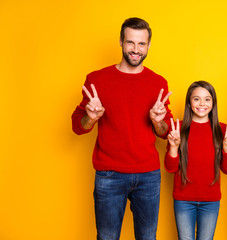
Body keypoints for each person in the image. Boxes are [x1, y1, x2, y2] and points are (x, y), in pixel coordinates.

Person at [71, 17, 172, 240]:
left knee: (147, 237)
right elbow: (77, 126)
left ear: (148, 45)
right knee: (107, 237)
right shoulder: (97, 79)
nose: (136, 50)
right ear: (120, 42)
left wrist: (158, 122)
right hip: (109, 175)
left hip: (148, 175)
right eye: (130, 43)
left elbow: (166, 131)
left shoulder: (158, 83)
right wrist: (90, 118)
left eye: (141, 44)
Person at [165, 81, 227, 240]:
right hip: (183, 199)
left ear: (213, 103)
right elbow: (170, 168)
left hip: (210, 200)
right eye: (196, 99)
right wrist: (173, 147)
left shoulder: (222, 129)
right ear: (189, 103)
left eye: (207, 99)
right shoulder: (178, 129)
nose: (202, 104)